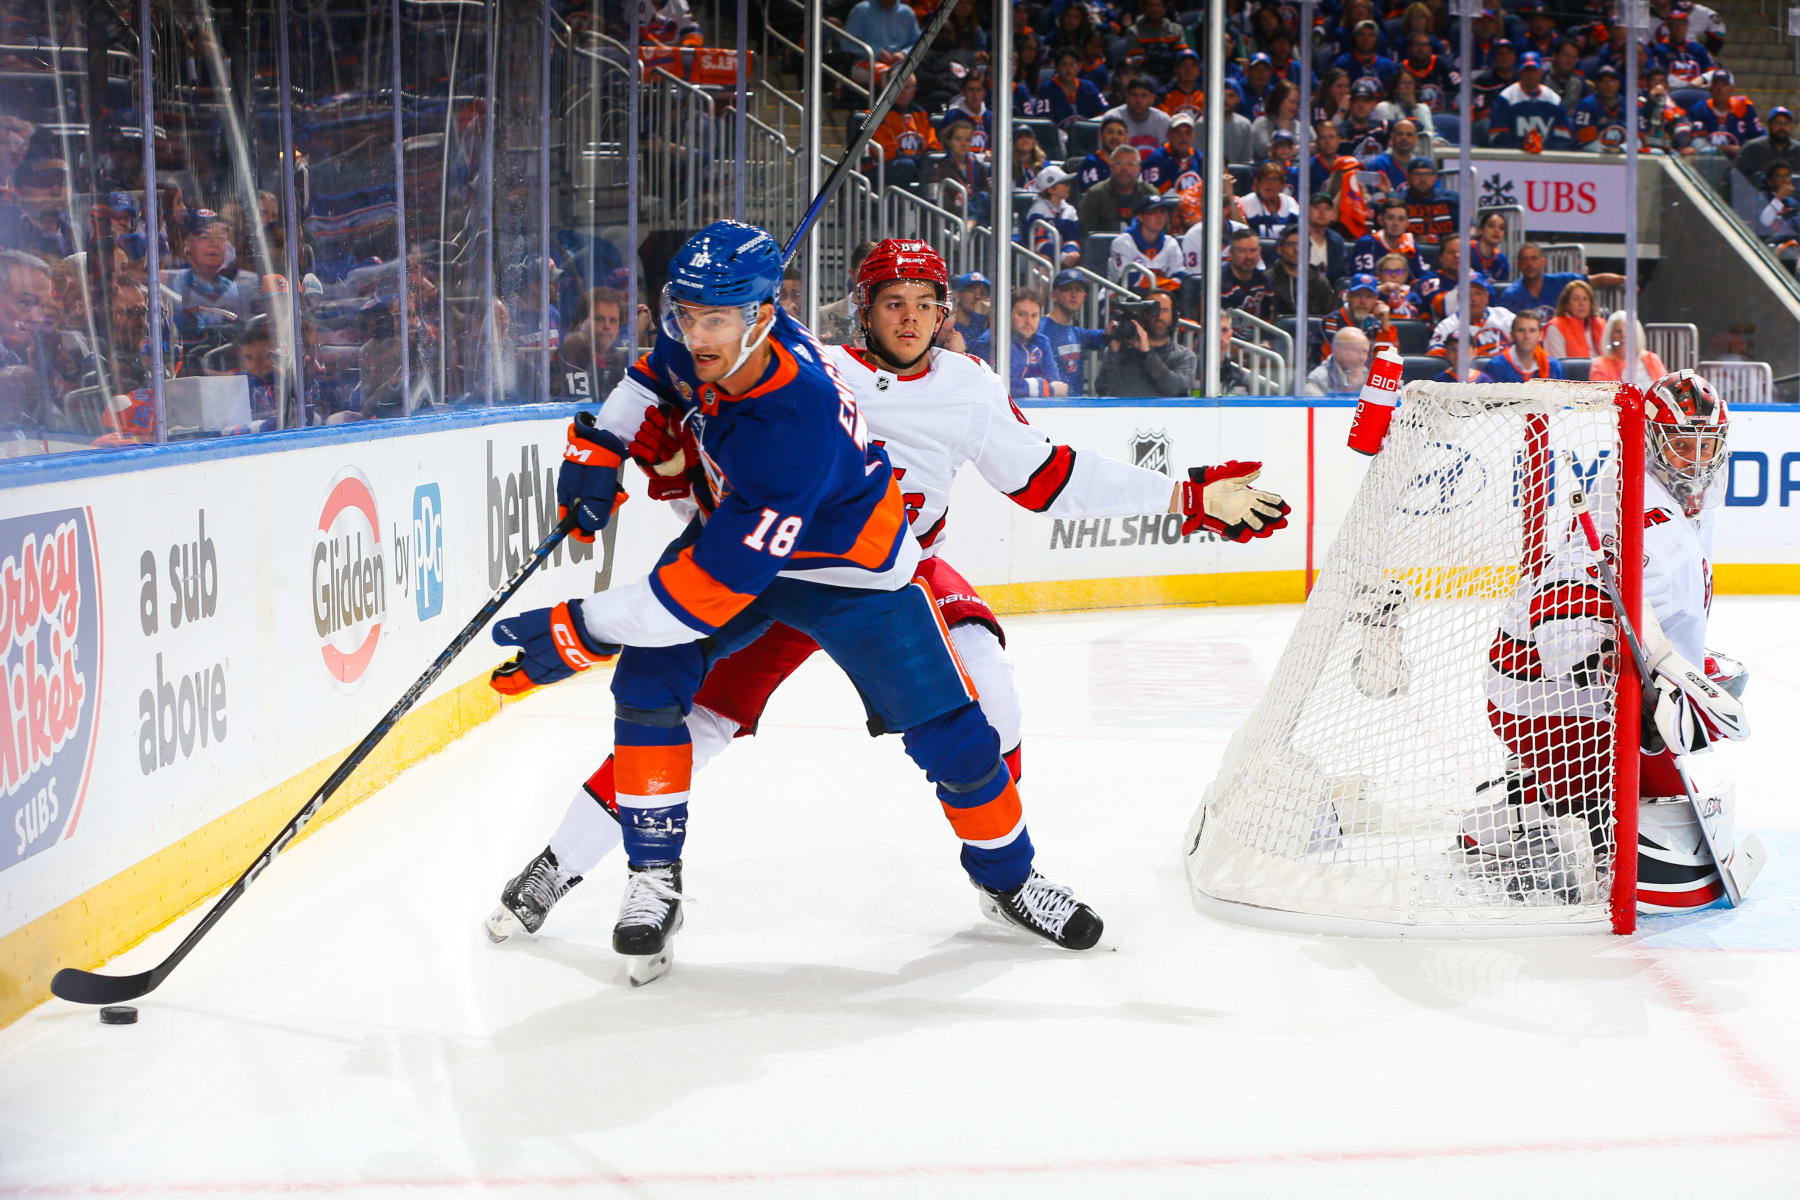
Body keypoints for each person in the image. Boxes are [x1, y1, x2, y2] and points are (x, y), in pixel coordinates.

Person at [486, 236, 1289, 961]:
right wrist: (626, 446)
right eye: (892, 303)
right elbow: (673, 383)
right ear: (860, 310)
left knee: (981, 713)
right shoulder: (804, 360)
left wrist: (1184, 498)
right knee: (683, 717)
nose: (909, 320)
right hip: (765, 569)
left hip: (877, 570)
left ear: (946, 314)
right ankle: (566, 862)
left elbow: (1048, 477)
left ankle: (1007, 877)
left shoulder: (964, 386)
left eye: (925, 305)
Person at [1471, 371, 1750, 912]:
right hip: (1545, 696)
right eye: (1681, 444)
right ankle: (1531, 822)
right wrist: (1594, 660)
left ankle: (1540, 798)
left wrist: (1678, 671)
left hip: (1567, 689)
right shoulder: (1633, 509)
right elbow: (1564, 588)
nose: (1695, 460)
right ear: (1651, 439)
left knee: (1715, 686)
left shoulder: (1682, 501)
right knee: (1669, 739)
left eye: (1706, 445)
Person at [1095, 288, 1196, 396]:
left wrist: (1147, 354)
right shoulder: (1123, 353)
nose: (1159, 316)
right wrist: (1113, 353)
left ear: (1174, 317)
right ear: (1143, 315)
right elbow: (1102, 389)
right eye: (1153, 310)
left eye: (1165, 310)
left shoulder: (1185, 356)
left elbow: (1176, 389)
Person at [970, 286, 1067, 397]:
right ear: (1009, 315)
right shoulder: (991, 341)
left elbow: (1056, 383)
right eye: (1021, 314)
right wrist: (1045, 388)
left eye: (1034, 316)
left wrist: (1046, 388)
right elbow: (996, 386)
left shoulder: (1042, 341)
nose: (1028, 321)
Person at [1496, 242, 1625, 323]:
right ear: (1519, 264)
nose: (1530, 264)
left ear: (1543, 262)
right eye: (1525, 260)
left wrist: (1623, 280)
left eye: (1534, 258)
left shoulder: (1561, 281)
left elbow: (1595, 281)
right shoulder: (1511, 295)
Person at [1487, 51, 1575, 150]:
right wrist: (1524, 146)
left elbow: (1564, 137)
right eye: (1527, 70)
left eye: (1534, 70)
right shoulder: (1506, 98)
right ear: (1520, 72)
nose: (1530, 75)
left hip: (1547, 157)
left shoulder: (1554, 100)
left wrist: (1542, 148)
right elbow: (1497, 137)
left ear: (1541, 72)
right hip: (1514, 157)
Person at [866, 74, 941, 186]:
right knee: (906, 165)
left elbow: (933, 145)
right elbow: (886, 152)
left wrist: (925, 160)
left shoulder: (920, 114)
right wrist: (918, 160)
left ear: (914, 90)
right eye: (899, 86)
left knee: (932, 165)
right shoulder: (876, 114)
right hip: (880, 169)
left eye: (908, 87)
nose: (903, 91)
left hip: (913, 165)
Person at [1041, 269, 1106, 395]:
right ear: (1054, 295)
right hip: (1049, 408)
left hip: (1075, 408)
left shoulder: (1076, 333)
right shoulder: (1041, 329)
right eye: (1067, 289)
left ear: (1084, 296)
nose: (1074, 294)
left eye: (1079, 289)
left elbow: (1103, 335)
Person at [1077, 143, 1157, 236]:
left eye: (1130, 164)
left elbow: (1160, 231)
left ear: (1138, 169)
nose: (1124, 168)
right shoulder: (1095, 194)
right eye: (1118, 163)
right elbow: (1085, 234)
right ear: (1110, 167)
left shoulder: (1150, 194)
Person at [1107, 193, 1184, 286]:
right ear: (1140, 217)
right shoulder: (1123, 243)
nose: (1159, 217)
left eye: (1162, 212)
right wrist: (1166, 283)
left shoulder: (1171, 243)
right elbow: (1128, 281)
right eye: (1153, 212)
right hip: (1120, 297)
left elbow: (1180, 277)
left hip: (1164, 295)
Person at [1428, 273, 1513, 356]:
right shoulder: (1447, 327)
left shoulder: (1504, 316)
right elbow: (1435, 358)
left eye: (1478, 293)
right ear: (1459, 298)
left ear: (1486, 297)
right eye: (1467, 294)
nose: (1473, 298)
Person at [1686, 67, 1761, 159]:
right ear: (1711, 88)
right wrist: (1727, 149)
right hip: (1708, 162)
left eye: (1725, 84)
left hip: (1741, 163)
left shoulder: (1745, 108)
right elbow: (1697, 143)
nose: (1720, 89)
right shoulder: (1700, 109)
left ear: (1732, 89)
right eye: (1716, 84)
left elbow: (1759, 137)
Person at [816, 241, 878, 344]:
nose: (870, 277)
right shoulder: (823, 315)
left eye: (875, 271)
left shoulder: (890, 316)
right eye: (864, 270)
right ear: (851, 273)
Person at [1321, 274, 1397, 354]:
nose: (1363, 301)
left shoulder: (1376, 325)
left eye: (1369, 296)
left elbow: (1388, 364)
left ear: (1376, 300)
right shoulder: (1332, 322)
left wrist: (1385, 326)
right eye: (1358, 295)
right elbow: (1335, 361)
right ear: (1348, 296)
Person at [1270, 226, 1334, 318]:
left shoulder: (1320, 283)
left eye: (1302, 244)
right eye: (1291, 244)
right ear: (1280, 249)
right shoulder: (1269, 280)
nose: (1297, 250)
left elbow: (1328, 318)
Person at [1482, 310, 1564, 382]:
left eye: (1532, 330)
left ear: (1541, 335)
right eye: (1521, 330)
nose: (1527, 336)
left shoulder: (1553, 366)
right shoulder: (1496, 366)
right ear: (1512, 335)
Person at [1033, 48, 1107, 127]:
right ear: (1057, 68)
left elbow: (1104, 114)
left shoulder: (1089, 87)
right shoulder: (1046, 90)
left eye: (1072, 64)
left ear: (1079, 67)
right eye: (1064, 64)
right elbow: (1043, 122)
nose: (1068, 69)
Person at [1589, 312, 1668, 385]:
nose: (1623, 335)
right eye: (1618, 331)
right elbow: (1604, 397)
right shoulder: (1600, 365)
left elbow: (1667, 389)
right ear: (1610, 336)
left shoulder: (1652, 358)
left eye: (1628, 330)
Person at [1351, 197, 1424, 277]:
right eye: (1390, 218)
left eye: (1401, 219)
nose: (1396, 223)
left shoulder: (1410, 244)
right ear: (1381, 221)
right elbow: (1362, 279)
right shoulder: (1366, 243)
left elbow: (1418, 276)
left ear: (1407, 224)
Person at [1103, 75, 1173, 154]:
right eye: (1134, 95)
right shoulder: (1112, 118)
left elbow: (1169, 155)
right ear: (1127, 96)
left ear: (1152, 99)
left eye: (1144, 96)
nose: (1138, 100)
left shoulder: (1163, 120)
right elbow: (1105, 154)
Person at [1218, 226, 1275, 322]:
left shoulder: (1264, 281)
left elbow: (1268, 322)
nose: (1249, 256)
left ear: (1259, 251)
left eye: (1253, 250)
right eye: (1242, 251)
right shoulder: (1217, 282)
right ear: (1231, 253)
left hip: (1257, 336)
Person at [1736, 105, 1800, 189]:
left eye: (1786, 123)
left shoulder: (1798, 149)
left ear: (1791, 126)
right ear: (1769, 125)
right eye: (1777, 123)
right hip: (1759, 199)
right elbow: (1737, 177)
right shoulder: (1752, 147)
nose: (1782, 127)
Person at [1572, 64, 1631, 152]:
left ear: (1618, 84)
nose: (1608, 85)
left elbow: (1639, 139)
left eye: (1612, 81)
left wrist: (1621, 149)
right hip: (1594, 159)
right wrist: (1608, 152)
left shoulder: (1629, 106)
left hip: (1624, 157)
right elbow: (1585, 140)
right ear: (1597, 84)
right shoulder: (1586, 105)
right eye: (1603, 81)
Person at [1141, 112, 1203, 194]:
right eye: (1178, 132)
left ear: (1194, 134)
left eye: (1187, 132)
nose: (1183, 137)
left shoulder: (1201, 159)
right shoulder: (1156, 159)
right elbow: (1150, 194)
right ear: (1169, 134)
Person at [1026, 165, 1082, 255]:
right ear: (1051, 189)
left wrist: (1070, 253)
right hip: (1043, 260)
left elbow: (1073, 238)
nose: (1069, 187)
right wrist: (1061, 257)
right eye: (1065, 184)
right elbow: (1039, 243)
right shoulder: (1037, 210)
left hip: (1064, 260)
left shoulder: (1070, 210)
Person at [1544, 278, 1606, 359]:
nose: (1582, 304)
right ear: (1566, 304)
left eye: (1585, 299)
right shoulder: (1555, 327)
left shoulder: (1601, 324)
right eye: (1576, 299)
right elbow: (1559, 365)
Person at [1400, 157, 1458, 242]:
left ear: (1435, 177)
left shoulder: (1452, 199)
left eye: (1428, 174)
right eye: (1417, 174)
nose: (1423, 179)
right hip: (1410, 251)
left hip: (1449, 251)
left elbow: (1469, 228)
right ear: (1408, 177)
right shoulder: (1400, 202)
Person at [1239, 163, 1300, 239]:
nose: (1269, 183)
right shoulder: (1245, 202)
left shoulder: (1290, 202)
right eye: (1265, 179)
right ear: (1258, 183)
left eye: (1274, 179)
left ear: (1282, 184)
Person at [1306, 326, 1371, 395]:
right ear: (1338, 351)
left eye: (1365, 351)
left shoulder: (1368, 375)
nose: (1362, 357)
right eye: (1355, 350)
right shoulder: (1318, 379)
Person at [1305, 192, 1353, 284]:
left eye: (1327, 209)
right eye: (1316, 208)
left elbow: (1342, 274)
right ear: (1307, 210)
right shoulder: (1295, 236)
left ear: (1332, 214)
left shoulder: (1336, 240)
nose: (1322, 213)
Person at [1073, 116, 1129, 193]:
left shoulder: (1131, 164)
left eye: (1120, 133)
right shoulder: (1091, 163)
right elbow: (1094, 196)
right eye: (1110, 132)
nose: (1115, 137)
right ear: (1100, 136)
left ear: (1126, 139)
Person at [1338, 78, 1391, 160]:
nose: (1361, 105)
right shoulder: (1341, 132)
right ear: (1350, 104)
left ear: (1373, 104)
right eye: (1356, 101)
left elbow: (1415, 124)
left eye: (1366, 101)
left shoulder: (1382, 127)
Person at [1365, 119, 1424, 190]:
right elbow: (1375, 197)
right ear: (1392, 137)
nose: (1404, 138)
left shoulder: (1422, 166)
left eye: (1409, 135)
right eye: (1400, 134)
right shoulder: (1377, 164)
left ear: (1416, 138)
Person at [1373, 253, 1426, 319]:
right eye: (1388, 271)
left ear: (1406, 275)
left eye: (1398, 271)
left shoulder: (1414, 296)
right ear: (1379, 275)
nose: (1393, 275)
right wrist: (1379, 289)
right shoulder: (1373, 295)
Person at [1159, 49, 1206, 118]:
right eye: (1184, 65)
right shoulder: (1163, 94)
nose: (1189, 70)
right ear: (1176, 69)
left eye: (1193, 65)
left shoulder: (1206, 94)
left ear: (1199, 70)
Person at [950, 271, 991, 344]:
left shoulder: (989, 326)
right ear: (958, 294)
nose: (977, 296)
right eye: (971, 291)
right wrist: (977, 317)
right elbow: (969, 349)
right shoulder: (948, 326)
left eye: (983, 293)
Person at [1470, 211, 1512, 282]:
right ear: (1481, 230)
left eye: (1501, 228)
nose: (1497, 230)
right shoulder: (1467, 249)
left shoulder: (1502, 261)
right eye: (1492, 226)